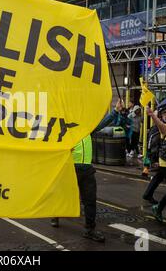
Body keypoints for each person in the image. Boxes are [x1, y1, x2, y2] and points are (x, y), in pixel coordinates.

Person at [50, 99, 124, 242]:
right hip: (70, 169)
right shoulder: (63, 127)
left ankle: (90, 229)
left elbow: (103, 123)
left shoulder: (87, 128)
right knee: (62, 196)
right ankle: (55, 214)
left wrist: (115, 111)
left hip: (87, 169)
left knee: (90, 200)